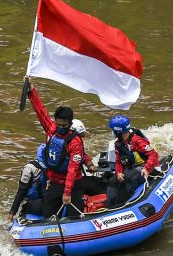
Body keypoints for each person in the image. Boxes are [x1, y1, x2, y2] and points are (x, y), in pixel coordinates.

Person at [26, 76, 85, 218]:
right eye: (58, 124)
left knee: (73, 217)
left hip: (72, 184)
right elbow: (40, 111)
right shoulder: (51, 129)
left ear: (70, 124)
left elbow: (72, 169)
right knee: (48, 214)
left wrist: (67, 192)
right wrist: (31, 90)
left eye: (64, 125)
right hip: (54, 182)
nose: (60, 127)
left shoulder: (75, 143)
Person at [107, 115, 160, 206]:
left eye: (114, 131)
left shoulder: (137, 141)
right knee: (112, 180)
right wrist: (119, 172)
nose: (113, 133)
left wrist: (146, 168)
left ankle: (123, 204)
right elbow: (119, 161)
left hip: (148, 168)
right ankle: (110, 205)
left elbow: (153, 154)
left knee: (128, 179)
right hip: (133, 167)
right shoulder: (118, 144)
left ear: (119, 131)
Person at [6, 144, 47, 223]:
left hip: (50, 201)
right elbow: (21, 191)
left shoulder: (58, 167)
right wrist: (12, 212)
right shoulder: (29, 169)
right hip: (35, 203)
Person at [71, 119, 105, 196]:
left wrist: (90, 165)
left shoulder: (75, 146)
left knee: (99, 180)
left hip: (75, 179)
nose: (83, 138)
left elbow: (83, 156)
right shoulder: (67, 147)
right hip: (71, 182)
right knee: (99, 186)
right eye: (81, 135)